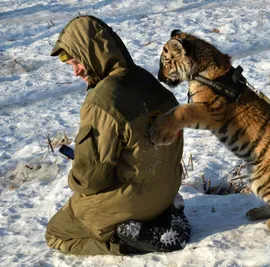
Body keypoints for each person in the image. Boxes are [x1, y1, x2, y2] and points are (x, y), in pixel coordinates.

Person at [46, 15, 190, 256]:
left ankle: (124, 242)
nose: (75, 71)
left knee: (57, 232)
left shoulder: (102, 102)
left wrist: (76, 176)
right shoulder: (146, 79)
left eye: (75, 61)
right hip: (167, 188)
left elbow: (92, 181)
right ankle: (162, 214)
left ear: (90, 53)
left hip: (133, 201)